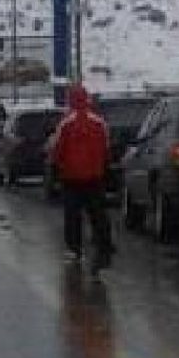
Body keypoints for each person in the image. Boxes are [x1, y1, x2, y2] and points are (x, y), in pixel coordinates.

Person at [49, 84, 113, 270]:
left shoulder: (66, 123)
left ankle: (74, 250)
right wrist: (103, 169)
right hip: (94, 176)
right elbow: (106, 149)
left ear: (70, 100)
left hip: (71, 178)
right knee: (98, 214)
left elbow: (58, 149)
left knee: (72, 216)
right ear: (87, 99)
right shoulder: (99, 122)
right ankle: (104, 246)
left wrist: (56, 169)